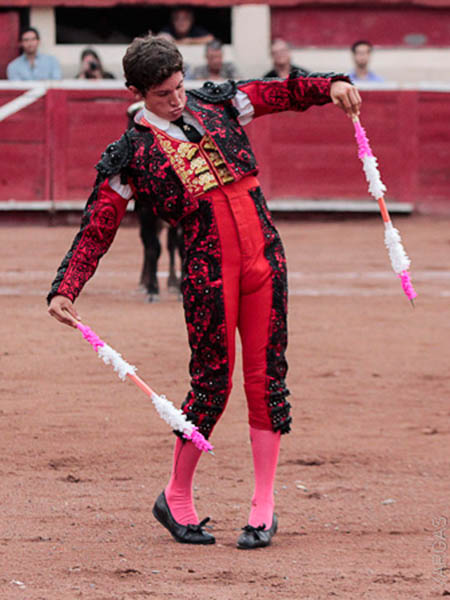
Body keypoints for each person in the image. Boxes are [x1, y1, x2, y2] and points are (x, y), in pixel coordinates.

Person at [47, 35, 361, 549]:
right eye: (164, 94)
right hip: (208, 272)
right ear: (135, 93)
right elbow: (98, 226)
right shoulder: (131, 154)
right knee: (212, 383)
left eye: (179, 86)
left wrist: (330, 86)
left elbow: (279, 93)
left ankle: (263, 505)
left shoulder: (217, 102)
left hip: (265, 260)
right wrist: (67, 286)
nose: (177, 99)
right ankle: (176, 495)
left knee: (267, 380)